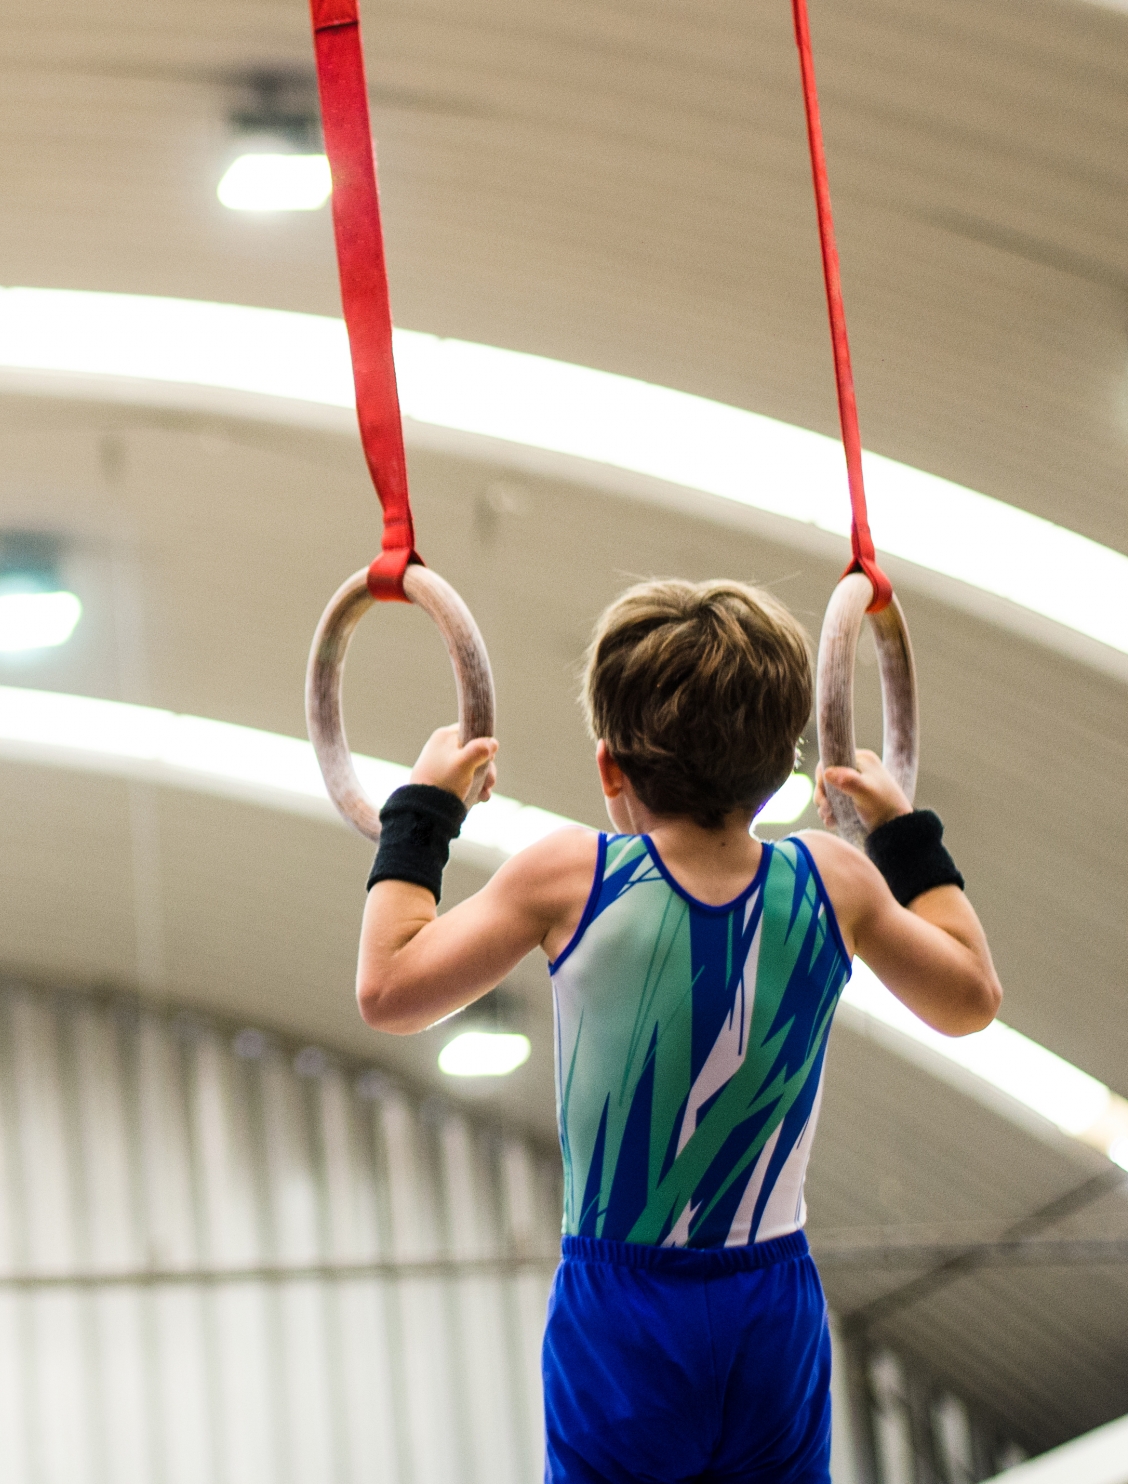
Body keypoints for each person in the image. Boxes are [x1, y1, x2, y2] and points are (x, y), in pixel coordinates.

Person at [354, 578, 999, 1484]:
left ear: (609, 766)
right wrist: (900, 832)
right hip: (770, 1305)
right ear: (785, 770)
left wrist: (423, 808)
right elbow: (972, 995)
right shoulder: (830, 879)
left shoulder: (572, 878)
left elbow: (387, 986)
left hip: (622, 1309)